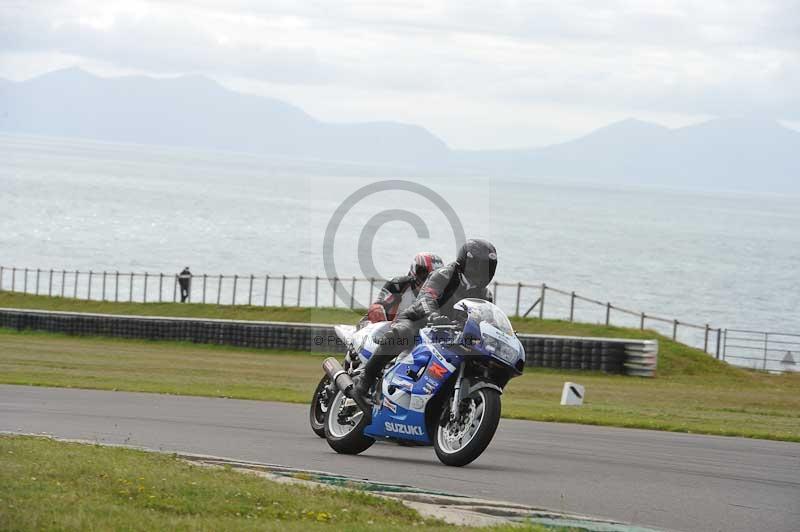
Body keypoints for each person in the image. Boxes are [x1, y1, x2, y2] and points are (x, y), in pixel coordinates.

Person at [353, 239, 497, 405]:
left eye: (488, 267)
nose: (483, 272)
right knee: (402, 334)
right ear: (468, 262)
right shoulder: (444, 274)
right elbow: (426, 297)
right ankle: (364, 381)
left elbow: (486, 319)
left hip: (452, 334)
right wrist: (433, 315)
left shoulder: (485, 295)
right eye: (480, 266)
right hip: (419, 321)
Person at [358, 252, 444, 328]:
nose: (427, 280)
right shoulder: (397, 285)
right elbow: (377, 306)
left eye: (434, 276)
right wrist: (378, 311)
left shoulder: (442, 294)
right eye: (423, 273)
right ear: (414, 271)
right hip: (388, 330)